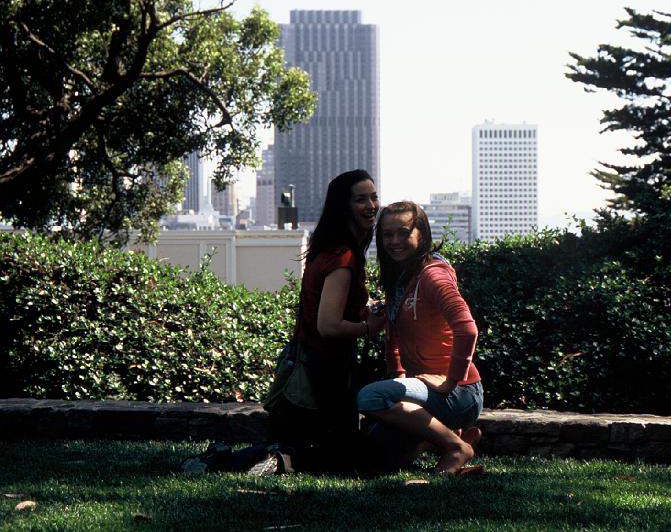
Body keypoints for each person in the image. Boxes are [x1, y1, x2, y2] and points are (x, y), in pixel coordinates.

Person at [181, 169, 384, 476]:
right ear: (344, 206)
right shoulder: (342, 257)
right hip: (325, 370)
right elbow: (327, 325)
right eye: (360, 199)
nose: (371, 205)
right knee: (348, 460)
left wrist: (363, 310)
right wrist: (370, 328)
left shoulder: (333, 249)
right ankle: (244, 461)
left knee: (334, 450)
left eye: (373, 196)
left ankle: (251, 459)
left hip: (314, 363)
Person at [356, 201, 484, 475]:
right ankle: (444, 437)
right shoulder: (400, 278)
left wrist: (451, 380)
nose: (394, 241)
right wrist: (398, 377)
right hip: (424, 393)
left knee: (369, 398)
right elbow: (394, 337)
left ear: (421, 234)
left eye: (403, 232)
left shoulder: (433, 276)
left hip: (459, 392)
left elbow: (467, 329)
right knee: (371, 460)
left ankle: (454, 446)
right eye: (387, 235)